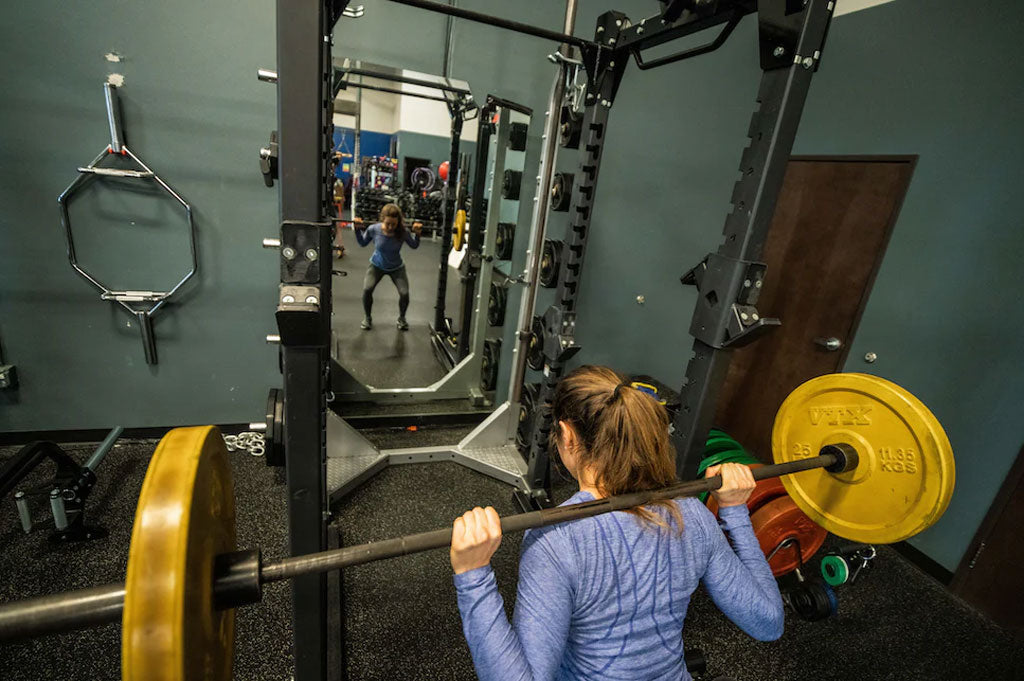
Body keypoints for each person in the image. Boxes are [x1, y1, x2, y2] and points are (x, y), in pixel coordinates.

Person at [450, 365, 784, 681]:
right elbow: (768, 623)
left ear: (567, 435)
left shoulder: (555, 539)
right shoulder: (692, 515)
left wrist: (473, 575)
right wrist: (734, 510)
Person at [354, 203, 421, 330]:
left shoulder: (403, 232)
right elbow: (362, 243)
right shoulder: (374, 229)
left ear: (398, 222)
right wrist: (357, 229)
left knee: (404, 293)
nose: (390, 227)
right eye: (387, 224)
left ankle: (402, 318)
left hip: (396, 267)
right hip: (377, 265)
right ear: (382, 219)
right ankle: (367, 318)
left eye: (394, 224)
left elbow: (414, 246)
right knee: (367, 289)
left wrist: (417, 234)